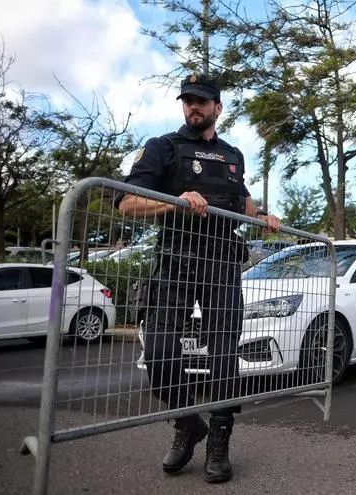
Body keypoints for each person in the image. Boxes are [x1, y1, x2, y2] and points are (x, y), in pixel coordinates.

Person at [116, 73, 281, 483]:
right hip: (175, 261)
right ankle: (188, 423)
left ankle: (219, 443)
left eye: (202, 101)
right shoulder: (164, 148)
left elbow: (242, 202)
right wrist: (175, 202)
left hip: (222, 264)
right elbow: (126, 204)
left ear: (217, 108)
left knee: (224, 357)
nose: (194, 107)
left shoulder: (232, 154)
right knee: (158, 354)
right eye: (188, 100)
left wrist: (261, 216)